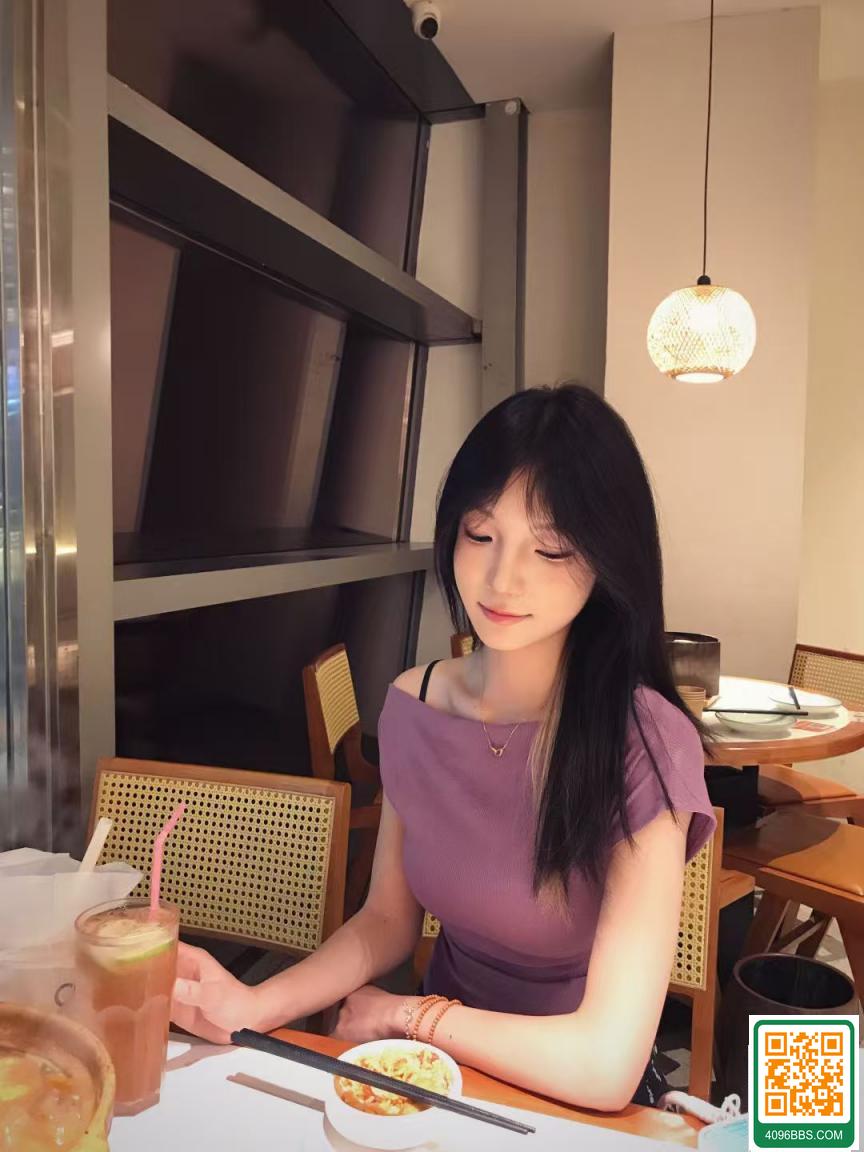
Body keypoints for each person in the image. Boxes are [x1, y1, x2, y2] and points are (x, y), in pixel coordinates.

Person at [171, 384, 716, 1111]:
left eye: (551, 548)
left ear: (608, 558)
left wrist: (408, 1015)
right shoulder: (415, 704)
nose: (502, 578)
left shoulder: (644, 744)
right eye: (480, 534)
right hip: (431, 1078)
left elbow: (605, 1066)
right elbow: (386, 920)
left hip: (570, 1102)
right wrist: (254, 1004)